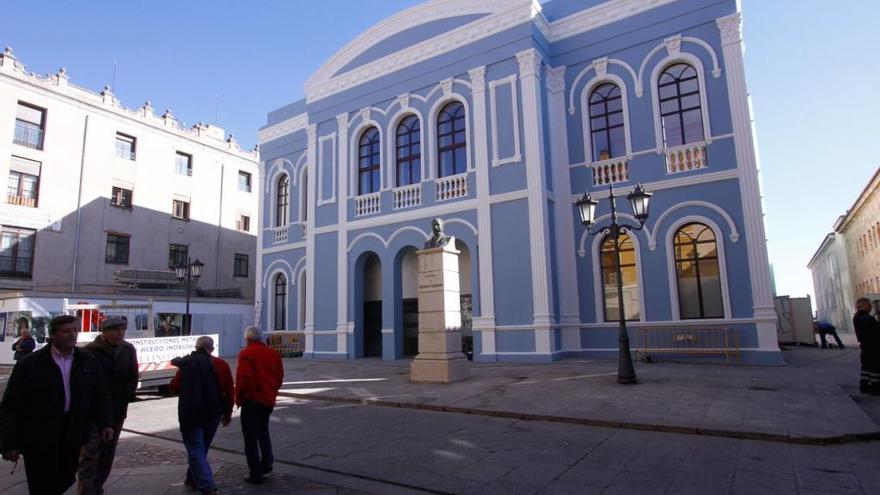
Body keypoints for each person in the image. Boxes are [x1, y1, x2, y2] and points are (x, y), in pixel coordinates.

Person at [0, 315, 114, 495]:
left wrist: (106, 423)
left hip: (72, 430)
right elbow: (10, 405)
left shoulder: (87, 360)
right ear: (53, 334)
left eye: (75, 330)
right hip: (39, 433)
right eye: (66, 331)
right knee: (41, 482)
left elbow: (101, 393)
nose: (72, 335)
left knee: (65, 476)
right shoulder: (30, 364)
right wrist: (8, 443)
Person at [77, 316, 139, 495]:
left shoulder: (128, 349)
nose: (120, 333)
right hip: (94, 414)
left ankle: (98, 487)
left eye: (122, 329)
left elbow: (133, 376)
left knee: (107, 454)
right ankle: (86, 491)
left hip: (117, 410)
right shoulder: (90, 352)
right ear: (104, 332)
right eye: (115, 329)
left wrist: (127, 396)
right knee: (89, 456)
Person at [169, 336, 233, 495]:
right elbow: (229, 391)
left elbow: (174, 387)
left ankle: (207, 485)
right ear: (211, 349)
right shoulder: (221, 365)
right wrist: (227, 413)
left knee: (196, 448)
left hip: (191, 412)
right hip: (212, 413)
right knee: (200, 448)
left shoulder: (187, 364)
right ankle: (192, 478)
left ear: (197, 347)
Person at [236, 326, 284, 484]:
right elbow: (279, 377)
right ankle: (267, 462)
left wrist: (244, 398)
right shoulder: (273, 353)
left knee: (250, 439)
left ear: (248, 339)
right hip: (268, 400)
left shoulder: (246, 354)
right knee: (263, 431)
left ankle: (255, 473)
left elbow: (244, 379)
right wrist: (272, 391)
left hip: (252, 402)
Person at [853, 298, 880, 394]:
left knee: (866, 366)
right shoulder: (865, 317)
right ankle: (875, 387)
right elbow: (876, 329)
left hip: (865, 345)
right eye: (869, 305)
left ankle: (864, 385)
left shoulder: (857, 317)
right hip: (872, 345)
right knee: (875, 366)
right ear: (863, 305)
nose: (870, 306)